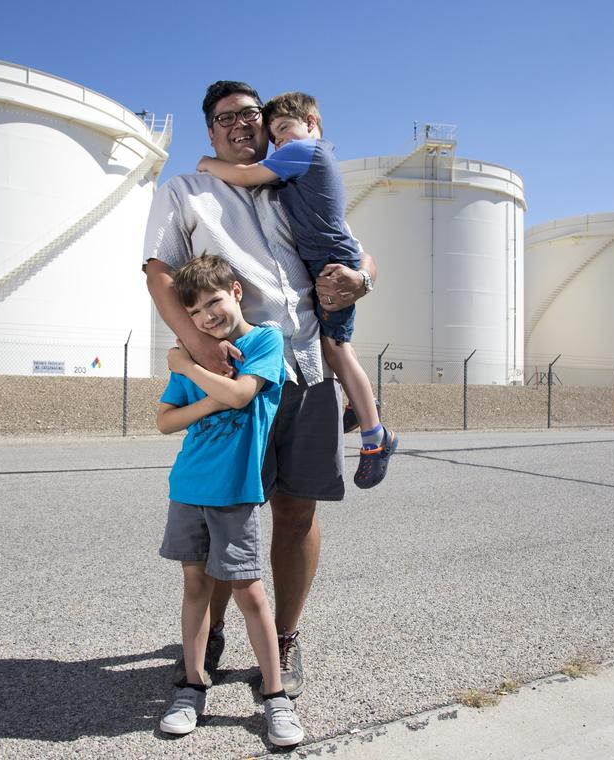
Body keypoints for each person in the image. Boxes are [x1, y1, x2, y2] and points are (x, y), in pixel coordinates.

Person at [143, 81, 376, 699]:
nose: (240, 123)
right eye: (226, 118)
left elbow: (357, 252)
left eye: (251, 113)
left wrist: (360, 279)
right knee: (228, 506)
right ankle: (212, 636)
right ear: (211, 131)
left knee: (298, 510)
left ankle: (286, 640)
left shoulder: (293, 177)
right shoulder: (186, 191)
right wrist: (198, 349)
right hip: (237, 372)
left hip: (306, 366)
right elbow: (160, 270)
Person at [196, 91, 397, 489]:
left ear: (312, 122)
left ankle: (376, 437)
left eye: (285, 129)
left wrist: (207, 163)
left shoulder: (306, 153)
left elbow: (248, 174)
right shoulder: (301, 167)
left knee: (336, 349)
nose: (281, 141)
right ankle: (361, 406)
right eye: (276, 137)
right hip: (323, 261)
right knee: (335, 346)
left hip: (330, 265)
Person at [154, 255, 303, 746]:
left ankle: (275, 697)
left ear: (235, 292)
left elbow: (243, 396)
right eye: (194, 312)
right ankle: (192, 685)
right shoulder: (193, 354)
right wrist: (193, 373)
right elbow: (165, 421)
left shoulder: (264, 339)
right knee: (195, 585)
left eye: (213, 301)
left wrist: (187, 368)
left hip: (236, 492)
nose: (206, 317)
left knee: (248, 592)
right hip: (188, 487)